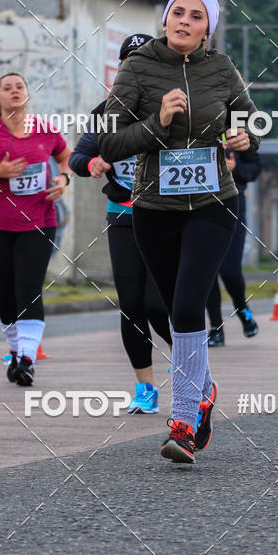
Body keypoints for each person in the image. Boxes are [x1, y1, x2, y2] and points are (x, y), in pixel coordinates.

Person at [99, 0, 259, 464]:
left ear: (208, 28)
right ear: (166, 19)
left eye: (196, 16)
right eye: (177, 13)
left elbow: (248, 118)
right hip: (153, 209)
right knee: (171, 310)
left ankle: (184, 421)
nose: (184, 22)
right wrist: (160, 122)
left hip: (213, 204)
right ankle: (203, 387)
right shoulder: (138, 67)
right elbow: (111, 142)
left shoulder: (222, 68)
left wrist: (244, 136)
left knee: (189, 307)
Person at [69, 33, 172, 414]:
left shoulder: (175, 108)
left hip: (165, 217)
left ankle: (191, 368)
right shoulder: (105, 113)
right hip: (124, 214)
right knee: (131, 306)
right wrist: (91, 163)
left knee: (157, 305)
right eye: (129, 62)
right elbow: (78, 157)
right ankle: (145, 387)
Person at [0, 72, 72, 385]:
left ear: (27, 94)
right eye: (7, 88)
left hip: (40, 222)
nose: (14, 92)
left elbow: (65, 155)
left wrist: (63, 179)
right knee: (6, 294)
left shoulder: (45, 130)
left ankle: (27, 359)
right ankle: (16, 353)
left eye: (19, 87)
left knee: (28, 289)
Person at [207, 147, 262, 347]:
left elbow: (255, 167)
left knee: (230, 271)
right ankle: (216, 327)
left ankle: (242, 308)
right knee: (206, 271)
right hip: (199, 205)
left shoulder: (237, 128)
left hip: (232, 204)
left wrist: (235, 167)